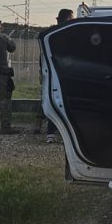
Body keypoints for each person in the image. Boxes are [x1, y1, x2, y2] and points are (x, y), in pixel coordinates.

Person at [46, 8, 76, 143]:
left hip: (52, 74)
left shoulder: (50, 35)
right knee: (67, 104)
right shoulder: (70, 34)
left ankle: (50, 132)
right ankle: (67, 135)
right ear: (68, 19)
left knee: (53, 102)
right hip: (67, 74)